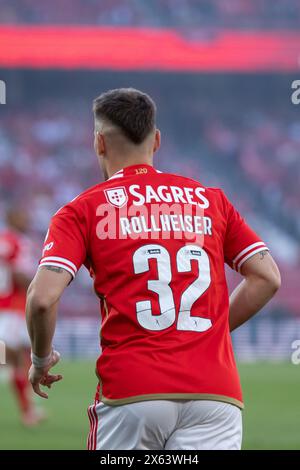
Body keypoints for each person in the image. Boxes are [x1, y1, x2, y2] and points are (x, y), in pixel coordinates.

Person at [26, 88, 281, 450]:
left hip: (133, 393)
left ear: (99, 143)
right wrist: (210, 331)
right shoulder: (212, 200)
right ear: (156, 140)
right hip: (215, 394)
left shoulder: (82, 210)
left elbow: (40, 299)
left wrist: (39, 359)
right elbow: (268, 278)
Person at [0, 207, 45, 426]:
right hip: (10, 309)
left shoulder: (7, 240)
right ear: (10, 217)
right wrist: (40, 290)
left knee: (16, 359)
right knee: (11, 357)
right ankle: (28, 411)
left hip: (10, 309)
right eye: (20, 214)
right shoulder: (16, 242)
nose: (25, 217)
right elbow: (18, 276)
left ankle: (29, 412)